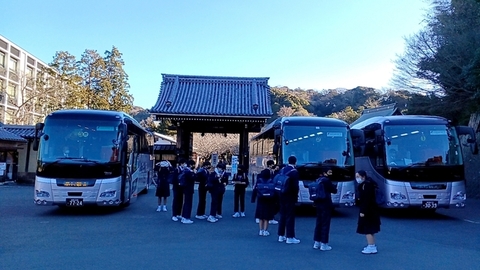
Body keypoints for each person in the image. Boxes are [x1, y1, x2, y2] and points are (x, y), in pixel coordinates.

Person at [355, 170, 381, 254]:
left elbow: (366, 200)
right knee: (371, 229)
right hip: (372, 211)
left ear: (363, 176)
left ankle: (371, 247)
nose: (357, 178)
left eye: (358, 176)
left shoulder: (366, 185)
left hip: (368, 211)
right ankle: (372, 245)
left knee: (367, 229)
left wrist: (363, 211)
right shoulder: (369, 183)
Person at [312, 167, 337, 251]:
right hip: (326, 203)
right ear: (325, 172)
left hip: (318, 203)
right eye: (329, 172)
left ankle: (316, 242)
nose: (331, 173)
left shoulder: (318, 180)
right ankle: (324, 243)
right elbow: (334, 190)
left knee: (318, 223)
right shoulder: (326, 180)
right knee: (325, 224)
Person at [277, 156, 300, 244]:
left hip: (281, 194)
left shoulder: (283, 170)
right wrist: (296, 196)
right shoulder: (294, 172)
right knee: (290, 216)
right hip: (290, 196)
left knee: (282, 215)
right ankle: (290, 236)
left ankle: (281, 235)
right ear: (295, 162)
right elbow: (295, 187)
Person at [251, 169, 276, 236]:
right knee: (266, 217)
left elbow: (255, 189)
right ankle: (265, 230)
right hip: (269, 200)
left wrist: (253, 199)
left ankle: (260, 230)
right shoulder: (271, 181)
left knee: (260, 216)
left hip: (260, 199)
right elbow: (274, 191)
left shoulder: (259, 180)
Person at [180, 160, 196, 224]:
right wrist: (194, 173)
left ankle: (184, 216)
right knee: (188, 203)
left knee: (186, 202)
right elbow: (193, 178)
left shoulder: (185, 170)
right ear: (191, 165)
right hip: (188, 188)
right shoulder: (188, 172)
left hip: (186, 188)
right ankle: (186, 217)